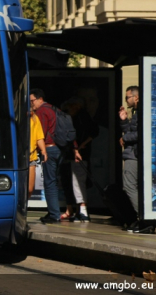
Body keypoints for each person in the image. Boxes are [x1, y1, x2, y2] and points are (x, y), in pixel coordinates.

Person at [118, 86, 154, 233]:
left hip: (134, 155)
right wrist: (124, 121)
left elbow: (141, 133)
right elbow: (131, 131)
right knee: (135, 187)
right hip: (133, 153)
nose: (126, 100)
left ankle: (144, 219)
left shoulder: (142, 112)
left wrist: (124, 138)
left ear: (136, 97)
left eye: (128, 97)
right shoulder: (137, 112)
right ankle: (143, 220)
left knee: (129, 186)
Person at [60, 96, 98, 222]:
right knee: (74, 182)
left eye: (68, 109)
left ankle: (83, 211)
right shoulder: (80, 117)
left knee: (78, 181)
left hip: (79, 154)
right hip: (76, 153)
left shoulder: (81, 118)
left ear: (75, 106)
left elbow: (92, 132)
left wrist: (80, 146)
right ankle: (78, 211)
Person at [30, 88, 61, 224]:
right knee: (57, 182)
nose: (31, 104)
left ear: (40, 99)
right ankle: (57, 212)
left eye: (32, 101)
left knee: (50, 183)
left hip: (48, 149)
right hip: (60, 149)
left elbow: (39, 134)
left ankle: (54, 214)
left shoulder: (41, 111)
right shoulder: (56, 109)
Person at [28, 111, 47, 199]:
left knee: (29, 189)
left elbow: (39, 137)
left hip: (31, 157)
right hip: (15, 158)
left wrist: (43, 151)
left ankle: (24, 206)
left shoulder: (34, 118)